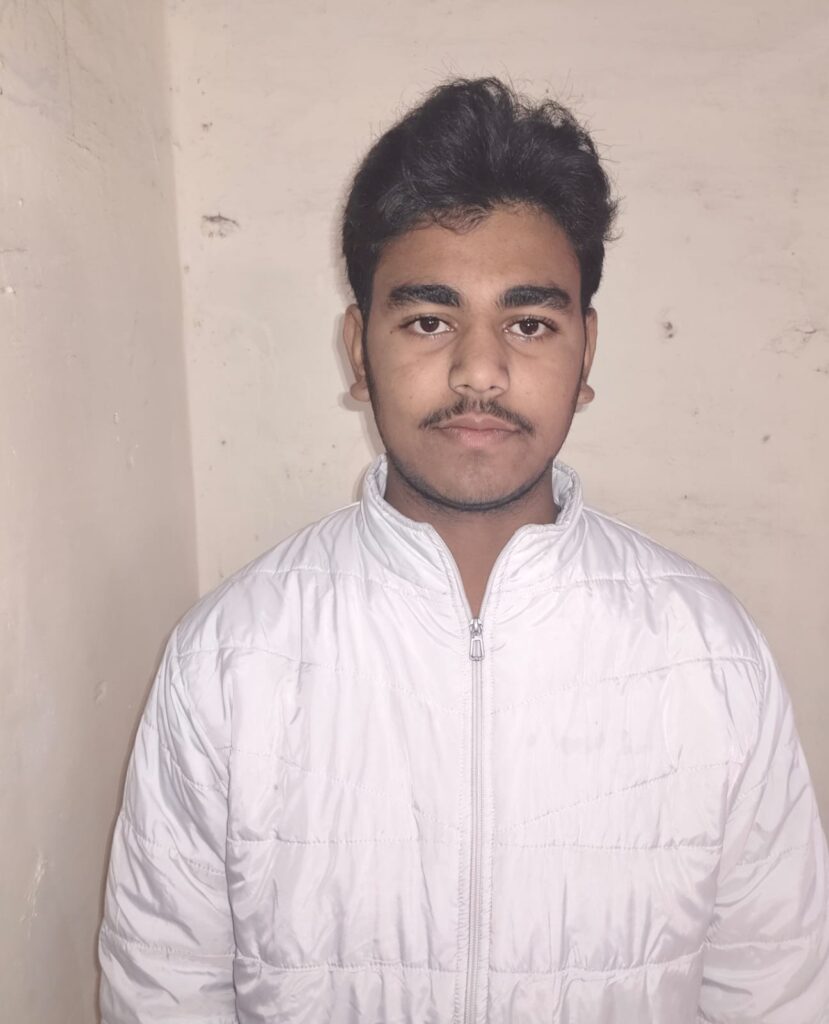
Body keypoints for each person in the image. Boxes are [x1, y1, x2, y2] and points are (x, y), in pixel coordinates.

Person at [99, 77, 829, 1023]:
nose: (479, 370)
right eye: (428, 320)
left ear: (585, 353)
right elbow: (163, 992)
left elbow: (775, 990)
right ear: (358, 352)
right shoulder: (229, 658)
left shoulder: (710, 657)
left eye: (528, 323)